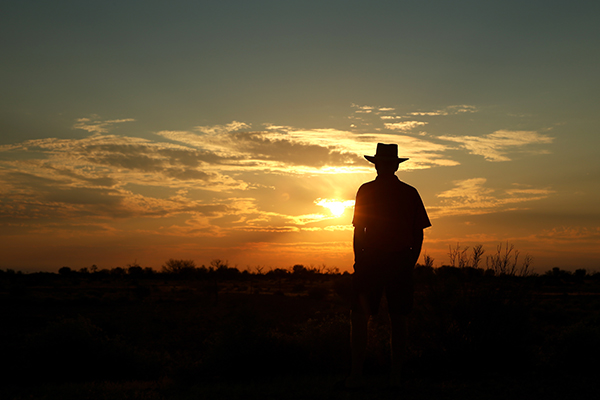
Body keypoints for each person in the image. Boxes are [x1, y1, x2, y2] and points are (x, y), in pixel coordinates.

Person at [346, 143, 431, 388]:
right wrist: (410, 261)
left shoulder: (368, 190)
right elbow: (418, 233)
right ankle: (392, 376)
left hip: (376, 260)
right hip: (391, 260)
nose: (381, 167)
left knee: (364, 316)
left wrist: (359, 260)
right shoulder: (409, 192)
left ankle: (358, 375)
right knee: (395, 317)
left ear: (380, 164)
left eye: (382, 163)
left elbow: (358, 231)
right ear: (393, 165)